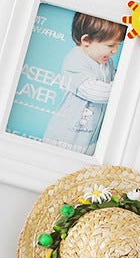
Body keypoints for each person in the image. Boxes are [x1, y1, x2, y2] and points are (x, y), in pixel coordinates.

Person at [42, 12, 126, 156]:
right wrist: (126, 88)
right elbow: (95, 92)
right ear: (86, 40)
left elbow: (116, 77)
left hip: (90, 139)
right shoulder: (74, 61)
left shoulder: (106, 62)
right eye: (111, 45)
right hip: (66, 138)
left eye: (118, 45)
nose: (115, 51)